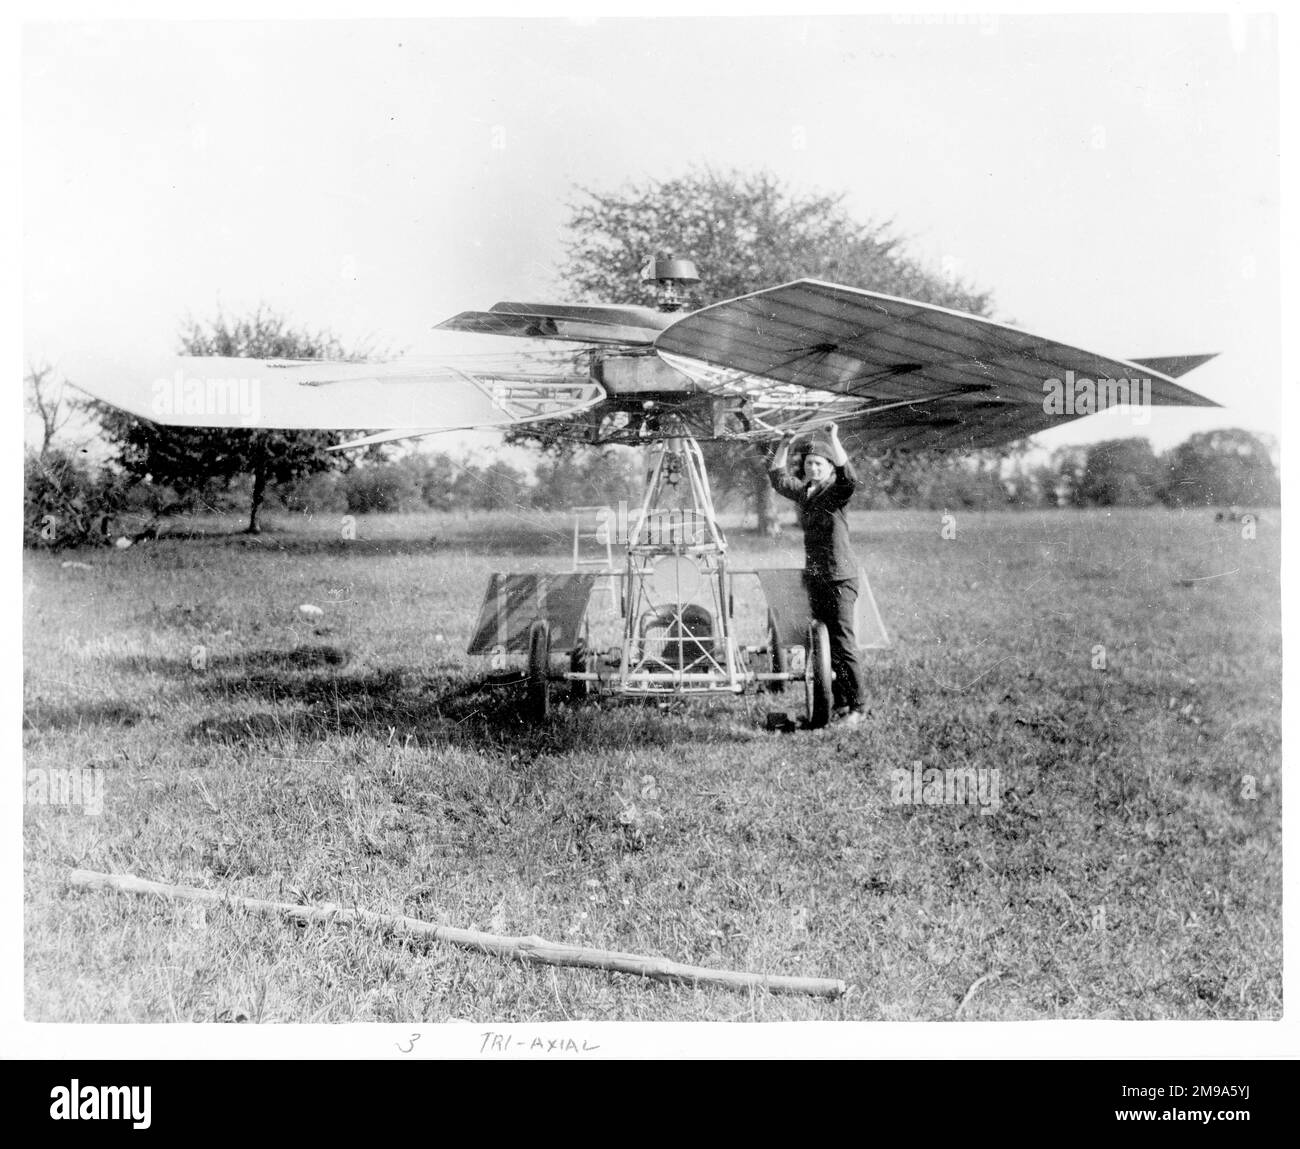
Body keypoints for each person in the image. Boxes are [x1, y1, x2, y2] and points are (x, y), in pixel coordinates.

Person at [769, 423, 867, 726]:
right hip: (818, 578)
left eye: (819, 464)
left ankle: (858, 707)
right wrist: (785, 444)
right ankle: (838, 704)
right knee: (824, 644)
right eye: (809, 463)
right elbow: (777, 478)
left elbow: (850, 476)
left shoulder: (836, 493)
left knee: (843, 643)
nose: (813, 467)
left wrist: (834, 439)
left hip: (839, 578)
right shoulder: (807, 493)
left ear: (829, 468)